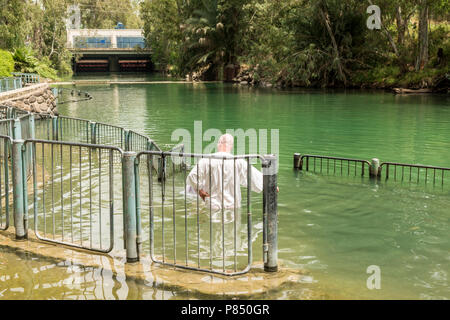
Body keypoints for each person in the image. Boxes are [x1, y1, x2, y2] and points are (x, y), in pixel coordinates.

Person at [186, 134, 263, 211]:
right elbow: (256, 178)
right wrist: (272, 186)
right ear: (231, 145)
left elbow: (192, 176)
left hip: (213, 205)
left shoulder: (206, 160)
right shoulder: (239, 161)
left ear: (218, 143)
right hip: (233, 205)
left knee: (212, 222)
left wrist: (200, 191)